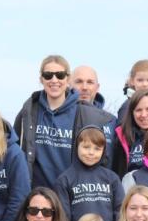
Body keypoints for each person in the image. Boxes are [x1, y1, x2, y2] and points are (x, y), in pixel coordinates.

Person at [15, 55, 115, 190]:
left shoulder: (85, 113)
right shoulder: (29, 111)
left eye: (60, 75)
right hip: (38, 199)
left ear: (68, 79)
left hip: (71, 194)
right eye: (48, 75)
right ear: (41, 79)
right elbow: (16, 151)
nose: (54, 80)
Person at [55, 125, 125, 221]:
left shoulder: (112, 178)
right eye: (86, 147)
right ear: (77, 146)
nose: (91, 153)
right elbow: (64, 220)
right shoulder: (64, 180)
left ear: (104, 151)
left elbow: (121, 214)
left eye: (97, 149)